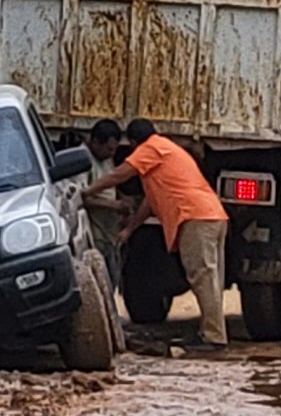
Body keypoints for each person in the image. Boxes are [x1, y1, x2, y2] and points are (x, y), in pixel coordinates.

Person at [83, 117, 230, 350]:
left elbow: (119, 175)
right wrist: (129, 230)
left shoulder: (150, 148)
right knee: (211, 278)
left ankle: (213, 337)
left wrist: (88, 191)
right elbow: (149, 203)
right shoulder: (166, 151)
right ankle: (211, 332)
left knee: (203, 277)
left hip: (195, 216)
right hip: (212, 214)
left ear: (134, 143)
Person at [84, 118, 127, 297]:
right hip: (95, 229)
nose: (112, 153)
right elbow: (81, 197)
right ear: (95, 142)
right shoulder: (84, 160)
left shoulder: (106, 159)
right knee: (100, 279)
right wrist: (112, 205)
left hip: (109, 229)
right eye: (109, 149)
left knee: (112, 276)